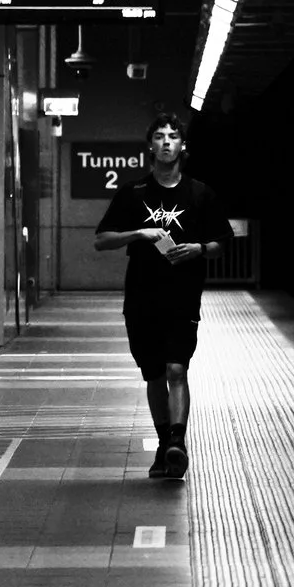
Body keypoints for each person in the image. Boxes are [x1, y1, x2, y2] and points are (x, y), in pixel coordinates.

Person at [93, 114, 233, 479]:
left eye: (173, 136)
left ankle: (178, 442)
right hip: (141, 298)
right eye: (159, 136)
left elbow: (223, 242)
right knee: (154, 374)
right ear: (150, 147)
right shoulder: (133, 193)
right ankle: (163, 446)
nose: (167, 142)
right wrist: (139, 233)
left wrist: (199, 248)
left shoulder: (200, 193)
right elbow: (102, 239)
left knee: (177, 368)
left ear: (183, 146)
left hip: (183, 297)